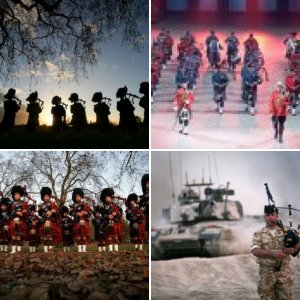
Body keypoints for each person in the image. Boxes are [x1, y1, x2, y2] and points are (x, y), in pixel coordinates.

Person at [251, 204, 300, 300]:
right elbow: (255, 251)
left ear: (277, 216)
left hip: (284, 273)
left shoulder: (286, 230)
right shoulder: (259, 233)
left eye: (272, 214)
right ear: (264, 217)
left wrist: (294, 249)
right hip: (266, 274)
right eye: (268, 215)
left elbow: (299, 240)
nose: (270, 217)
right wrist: (272, 253)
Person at [38, 187, 61, 253]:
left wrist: (54, 212)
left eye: (47, 196)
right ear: (42, 197)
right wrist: (45, 214)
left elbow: (57, 213)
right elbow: (40, 213)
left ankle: (50, 249)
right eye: (44, 196)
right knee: (45, 236)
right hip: (44, 222)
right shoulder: (40, 205)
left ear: (49, 196)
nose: (46, 197)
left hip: (52, 222)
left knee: (50, 236)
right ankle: (45, 250)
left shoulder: (53, 204)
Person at [70, 188, 91, 252]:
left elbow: (90, 213)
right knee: (78, 236)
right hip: (77, 222)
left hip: (84, 222)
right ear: (74, 198)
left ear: (81, 197)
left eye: (79, 196)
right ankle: (79, 249)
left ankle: (84, 249)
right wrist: (77, 213)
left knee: (84, 236)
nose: (78, 198)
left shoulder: (85, 205)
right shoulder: (73, 206)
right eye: (76, 197)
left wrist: (86, 213)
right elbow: (70, 213)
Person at [9, 186, 28, 253]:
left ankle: (19, 250)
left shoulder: (23, 203)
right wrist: (16, 212)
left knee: (19, 235)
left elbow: (26, 213)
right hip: (13, 221)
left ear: (20, 196)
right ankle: (13, 250)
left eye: (18, 195)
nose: (16, 196)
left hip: (20, 221)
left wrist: (23, 213)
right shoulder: (11, 204)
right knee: (13, 235)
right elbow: (9, 213)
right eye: (15, 195)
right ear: (13, 196)